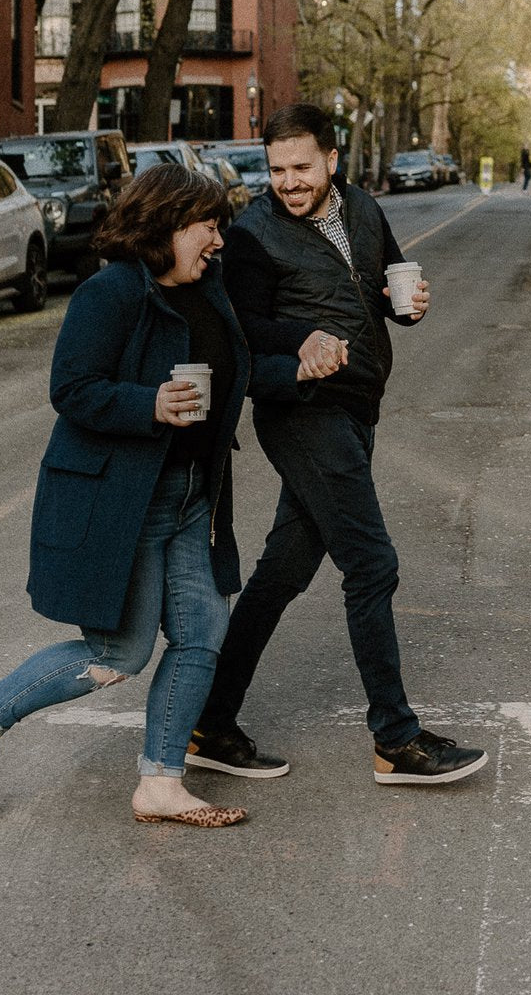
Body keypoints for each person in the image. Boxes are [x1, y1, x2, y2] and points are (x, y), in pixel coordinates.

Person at [0, 164, 300, 828]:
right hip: (126, 505)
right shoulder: (110, 294)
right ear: (166, 225)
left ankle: (160, 783)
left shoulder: (209, 286)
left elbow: (244, 361)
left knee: (202, 632)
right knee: (119, 654)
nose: (218, 240)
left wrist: (304, 360)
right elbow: (71, 389)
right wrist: (149, 403)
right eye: (207, 226)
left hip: (194, 496)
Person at [187, 104, 488, 787]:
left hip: (356, 410)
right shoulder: (254, 237)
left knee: (283, 572)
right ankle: (396, 739)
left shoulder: (362, 209)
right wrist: (300, 341)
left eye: (300, 167)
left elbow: (383, 283)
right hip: (302, 411)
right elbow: (243, 330)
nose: (288, 182)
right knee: (372, 564)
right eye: (276, 170)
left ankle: (209, 721)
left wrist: (403, 305)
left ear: (331, 160)